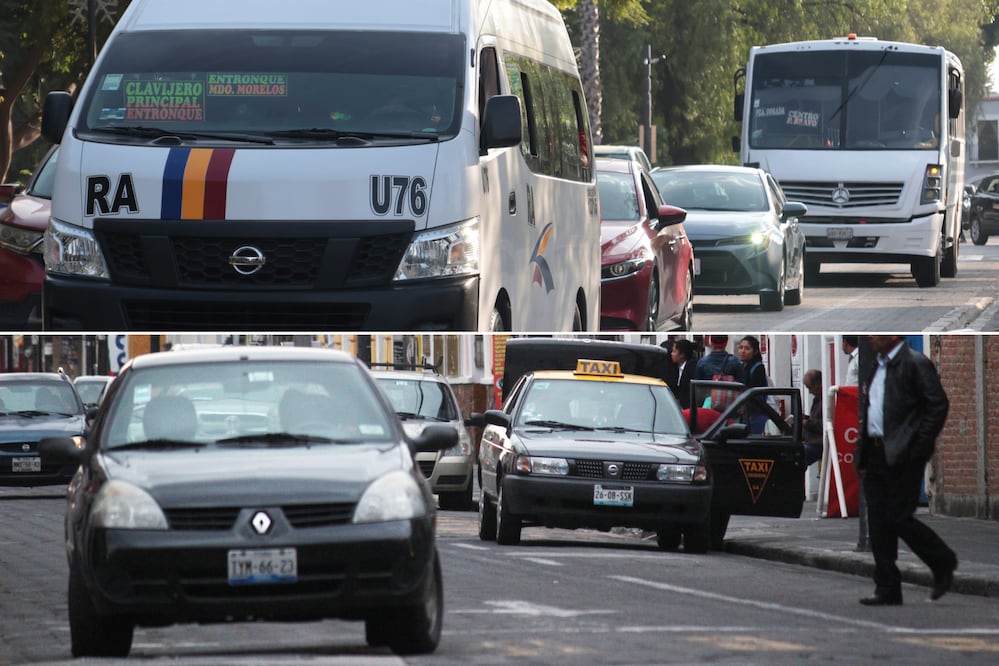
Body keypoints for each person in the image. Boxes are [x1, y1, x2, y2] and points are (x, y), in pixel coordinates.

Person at [855, 335, 957, 606]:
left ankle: (943, 560)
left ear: (893, 336)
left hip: (903, 453)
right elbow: (873, 409)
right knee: (878, 523)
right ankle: (887, 587)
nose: (870, 337)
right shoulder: (877, 365)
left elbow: (937, 404)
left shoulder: (914, 363)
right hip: (875, 452)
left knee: (897, 517)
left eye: (876, 333)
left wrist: (919, 446)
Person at [666, 338, 697, 409]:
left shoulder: (692, 368)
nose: (671, 354)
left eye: (674, 351)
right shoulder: (675, 368)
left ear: (682, 355)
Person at [801, 369, 823, 466]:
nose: (810, 392)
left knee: (797, 455)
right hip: (810, 440)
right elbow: (815, 419)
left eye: (810, 388)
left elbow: (824, 425)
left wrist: (807, 423)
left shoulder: (827, 400)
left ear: (819, 385)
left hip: (818, 443)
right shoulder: (817, 399)